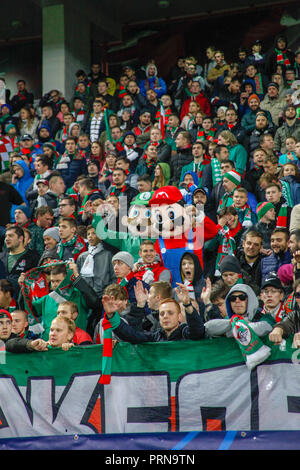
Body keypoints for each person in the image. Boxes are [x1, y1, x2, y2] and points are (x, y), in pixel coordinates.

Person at [102, 282, 205, 343]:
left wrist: (187, 304)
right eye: (162, 314)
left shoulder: (185, 333)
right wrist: (112, 316)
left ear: (179, 317)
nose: (165, 316)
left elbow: (198, 331)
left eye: (170, 313)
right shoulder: (155, 337)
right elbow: (131, 335)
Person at [76, 224, 116, 297]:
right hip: (86, 296)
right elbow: (79, 277)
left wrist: (109, 293)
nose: (90, 236)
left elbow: (114, 277)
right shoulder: (82, 257)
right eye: (88, 234)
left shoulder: (108, 255)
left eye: (94, 233)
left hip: (104, 295)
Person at [0, 225, 40, 297]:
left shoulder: (33, 257)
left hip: (23, 299)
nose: (7, 239)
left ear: (21, 238)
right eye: (6, 236)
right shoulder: (1, 257)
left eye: (10, 236)